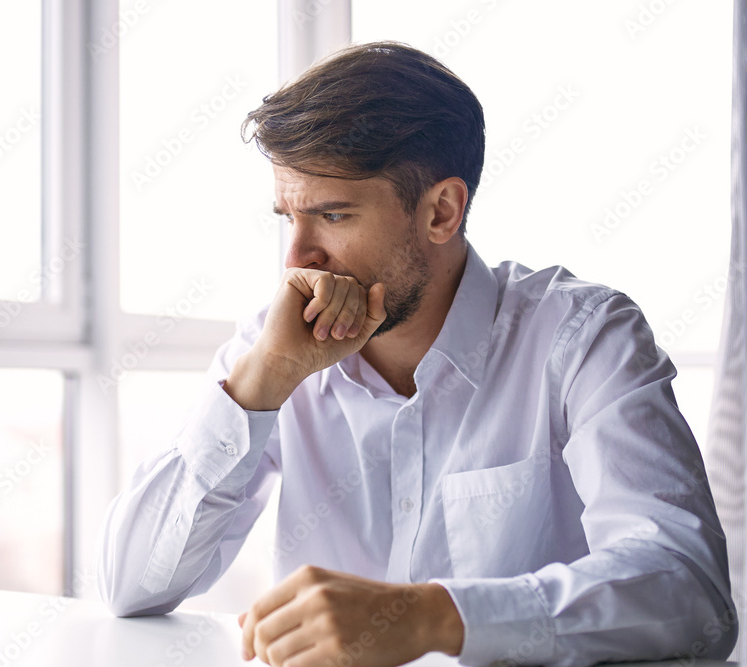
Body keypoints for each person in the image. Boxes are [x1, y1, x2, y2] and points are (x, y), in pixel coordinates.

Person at [97, 41, 738, 666]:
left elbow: (688, 589)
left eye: (333, 215)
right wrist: (257, 387)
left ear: (442, 210)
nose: (296, 257)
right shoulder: (273, 346)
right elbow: (129, 586)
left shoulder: (582, 339)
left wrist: (431, 618)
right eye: (286, 217)